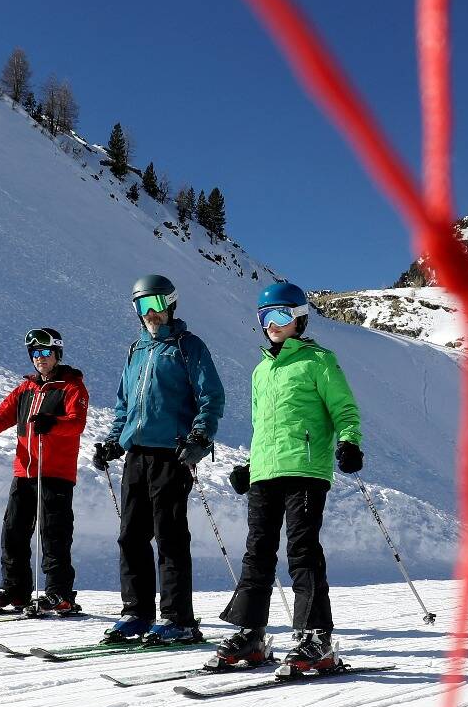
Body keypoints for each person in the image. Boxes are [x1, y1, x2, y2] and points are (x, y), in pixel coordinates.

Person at [213, 282, 364, 673]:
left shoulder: (319, 360)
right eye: (265, 317)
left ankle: (316, 638)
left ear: (299, 318)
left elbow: (344, 409)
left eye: (280, 315)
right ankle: (250, 634)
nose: (272, 324)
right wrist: (251, 465)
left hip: (306, 469)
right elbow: (263, 428)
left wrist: (349, 442)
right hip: (267, 472)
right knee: (257, 552)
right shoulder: (261, 370)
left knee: (302, 550)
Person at [93, 274, 227, 646]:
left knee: (169, 536)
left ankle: (178, 619)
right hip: (137, 454)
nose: (150, 313)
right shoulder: (136, 349)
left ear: (170, 304)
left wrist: (200, 437)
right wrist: (114, 441)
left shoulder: (188, 346)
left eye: (155, 304)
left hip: (173, 453)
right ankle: (136, 612)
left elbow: (211, 397)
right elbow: (124, 404)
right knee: (131, 536)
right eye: (142, 306)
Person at [0, 328, 88, 614]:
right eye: (35, 353)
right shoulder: (25, 389)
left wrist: (53, 423)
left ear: (57, 354)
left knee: (54, 534)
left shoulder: (71, 387)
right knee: (13, 532)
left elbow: (77, 423)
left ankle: (59, 593)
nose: (40, 358)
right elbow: (0, 419)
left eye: (46, 352)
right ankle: (15, 590)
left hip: (55, 473)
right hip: (25, 472)